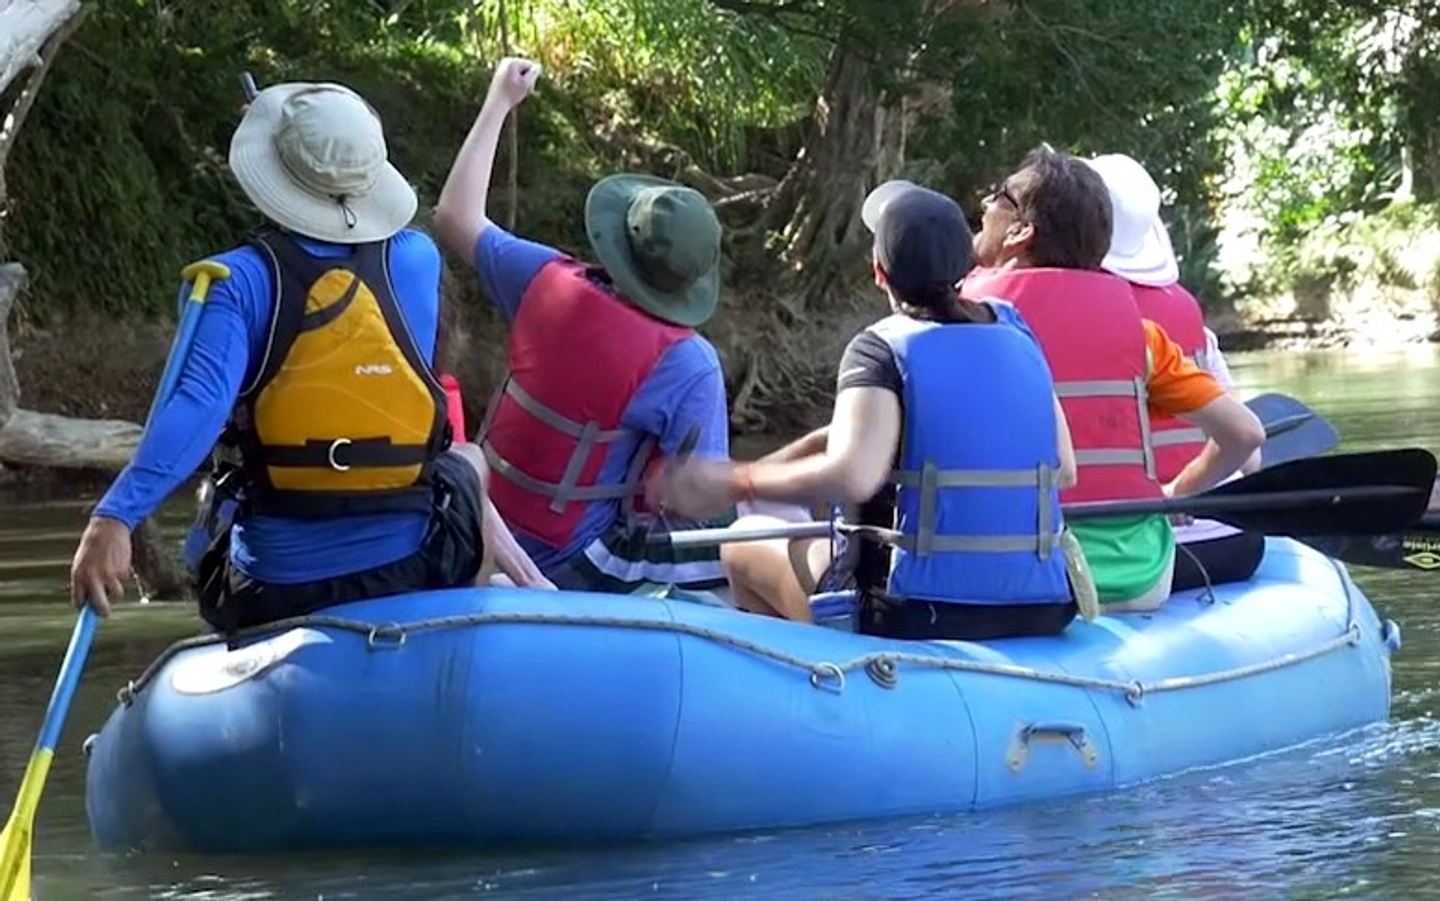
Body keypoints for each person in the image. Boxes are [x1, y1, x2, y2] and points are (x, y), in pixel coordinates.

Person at [69, 81, 550, 631]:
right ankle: (453, 638)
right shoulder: (418, 261)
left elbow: (199, 406)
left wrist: (116, 516)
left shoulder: (232, 281)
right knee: (467, 461)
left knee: (216, 509)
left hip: (274, 588)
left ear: (269, 179)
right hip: (411, 570)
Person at [659, 182, 1082, 640]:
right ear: (967, 265)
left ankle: (811, 686)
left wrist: (737, 480)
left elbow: (854, 476)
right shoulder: (1018, 330)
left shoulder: (878, 349)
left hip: (908, 613)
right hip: (1040, 605)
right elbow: (1064, 470)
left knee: (747, 540)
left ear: (879, 272)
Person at [434, 59, 731, 593]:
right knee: (746, 534)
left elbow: (455, 214)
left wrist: (500, 100)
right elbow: (698, 497)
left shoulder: (543, 277)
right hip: (574, 558)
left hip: (484, 518)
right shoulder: (691, 363)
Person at [963, 146, 1264, 611]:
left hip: (1020, 575)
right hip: (1138, 576)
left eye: (998, 196)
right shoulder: (1141, 336)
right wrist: (1175, 494)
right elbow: (1245, 435)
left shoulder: (962, 332)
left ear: (1021, 232)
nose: (985, 205)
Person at [1086, 153, 1264, 590]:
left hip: (1135, 553)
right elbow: (1250, 456)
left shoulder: (1061, 327)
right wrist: (1184, 489)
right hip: (1228, 542)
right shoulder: (1195, 329)